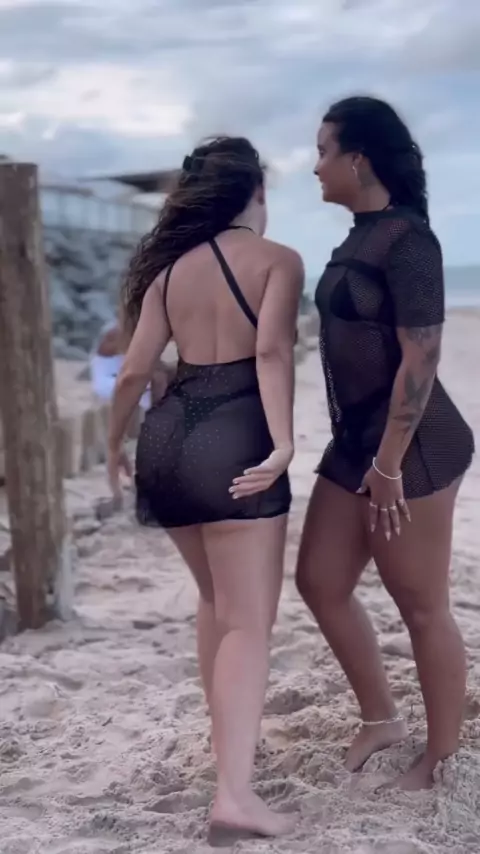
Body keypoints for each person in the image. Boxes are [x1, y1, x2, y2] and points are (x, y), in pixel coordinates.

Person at [107, 136, 304, 843]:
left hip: (168, 441)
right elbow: (271, 352)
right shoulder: (278, 260)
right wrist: (283, 441)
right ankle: (234, 796)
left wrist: (111, 445)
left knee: (216, 601)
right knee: (249, 621)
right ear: (258, 190)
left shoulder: (167, 272)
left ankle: (229, 752)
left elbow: (134, 371)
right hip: (237, 435)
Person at [296, 96, 475, 791]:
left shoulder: (408, 241)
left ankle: (441, 758)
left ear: (359, 158)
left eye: (323, 151)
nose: (315, 166)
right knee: (320, 581)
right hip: (356, 443)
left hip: (413, 449)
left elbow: (421, 358)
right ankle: (381, 719)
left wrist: (390, 465)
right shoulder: (358, 237)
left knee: (421, 603)